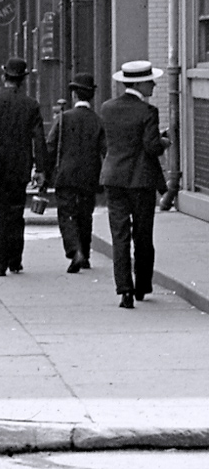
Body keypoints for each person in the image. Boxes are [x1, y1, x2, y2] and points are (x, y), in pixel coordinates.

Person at [0, 57, 49, 277]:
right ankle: (16, 260)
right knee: (16, 213)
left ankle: (0, 264)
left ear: (4, 76)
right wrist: (41, 169)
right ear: (23, 80)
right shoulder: (31, 105)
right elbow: (39, 140)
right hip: (20, 168)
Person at [100, 60, 169, 308]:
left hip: (113, 178)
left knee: (119, 235)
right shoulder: (148, 112)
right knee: (143, 234)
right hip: (140, 180)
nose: (153, 84)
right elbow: (150, 147)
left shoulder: (107, 108)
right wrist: (163, 142)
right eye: (150, 80)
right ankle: (142, 286)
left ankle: (124, 291)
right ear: (139, 82)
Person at [50, 74, 105, 274]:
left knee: (67, 214)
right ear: (92, 97)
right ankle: (86, 254)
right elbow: (105, 150)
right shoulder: (98, 121)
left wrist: (45, 173)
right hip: (90, 176)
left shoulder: (63, 119)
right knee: (85, 215)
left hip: (66, 174)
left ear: (74, 95)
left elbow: (51, 145)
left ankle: (75, 251)